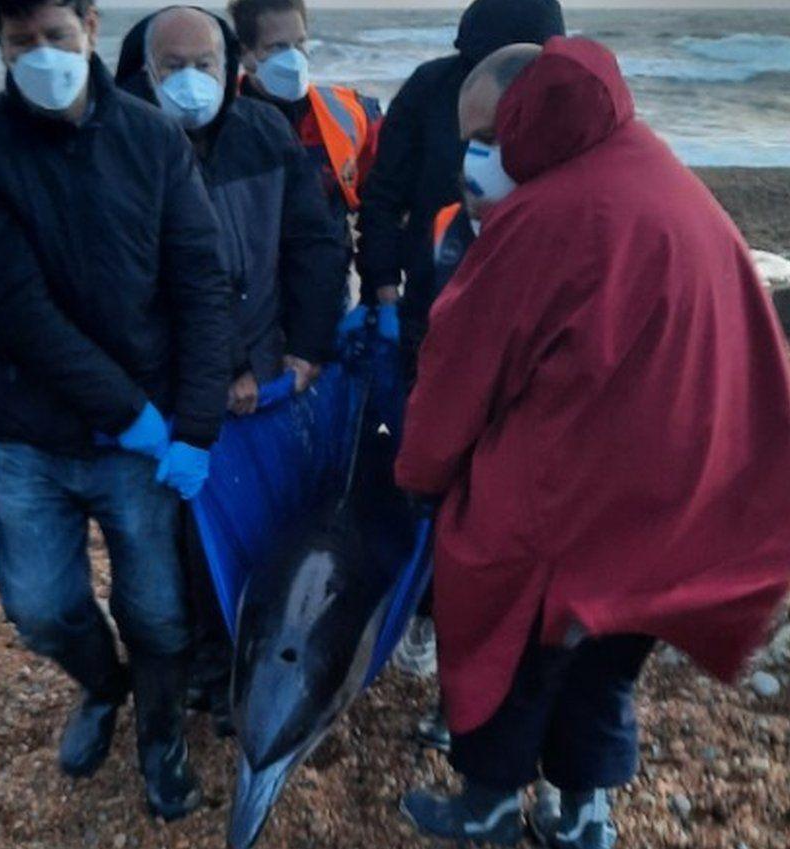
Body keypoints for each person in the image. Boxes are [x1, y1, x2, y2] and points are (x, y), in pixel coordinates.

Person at [396, 38, 790, 849]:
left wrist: (420, 477)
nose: (475, 155)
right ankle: (584, 818)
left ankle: (491, 806)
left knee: (509, 654)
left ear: (529, 120)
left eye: (488, 136)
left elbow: (460, 372)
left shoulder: (545, 217)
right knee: (607, 665)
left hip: (570, 505)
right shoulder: (656, 169)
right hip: (676, 504)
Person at [0, 0, 232, 823]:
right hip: (33, 432)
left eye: (56, 36)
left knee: (160, 609)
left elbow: (200, 285)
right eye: (20, 41)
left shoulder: (153, 138)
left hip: (146, 444)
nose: (42, 55)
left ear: (92, 28)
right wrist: (129, 410)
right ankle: (105, 686)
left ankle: (161, 737)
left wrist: (194, 425)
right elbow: (22, 312)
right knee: (38, 602)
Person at [114, 5, 348, 732]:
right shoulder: (122, 149)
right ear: (145, 75)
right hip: (171, 395)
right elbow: (126, 290)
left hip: (267, 380)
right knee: (175, 546)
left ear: (232, 68)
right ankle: (200, 675)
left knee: (261, 529)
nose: (191, 82)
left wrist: (304, 350)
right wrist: (204, 385)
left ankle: (248, 667)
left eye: (204, 65)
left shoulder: (264, 132)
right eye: (173, 67)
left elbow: (316, 243)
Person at [355, 0, 565, 371]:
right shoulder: (431, 88)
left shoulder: (561, 102)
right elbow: (382, 195)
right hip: (431, 301)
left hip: (533, 313)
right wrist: (383, 292)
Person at [228, 0, 382, 249]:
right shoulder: (217, 120)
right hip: (250, 279)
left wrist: (379, 278)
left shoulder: (350, 112)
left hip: (326, 279)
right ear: (246, 54)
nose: (293, 56)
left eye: (299, 43)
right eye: (277, 47)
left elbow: (380, 203)